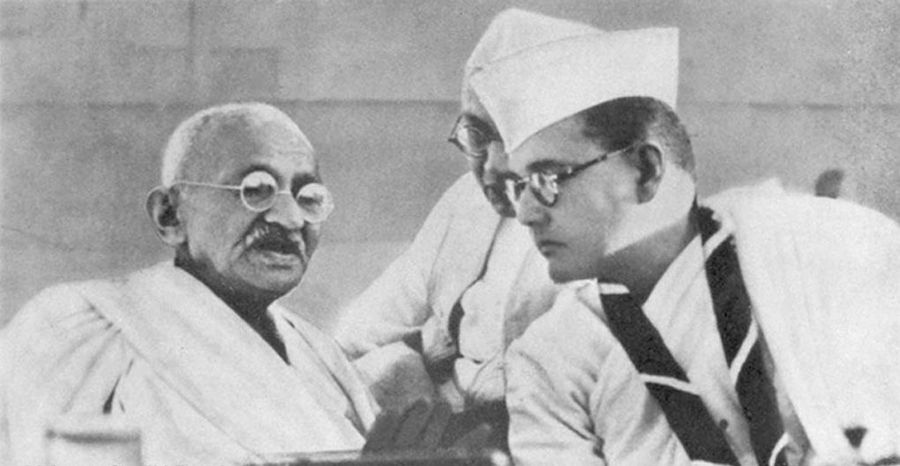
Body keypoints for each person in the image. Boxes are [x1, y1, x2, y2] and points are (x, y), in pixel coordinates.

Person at [462, 9, 900, 466]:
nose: (525, 213)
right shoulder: (550, 360)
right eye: (519, 186)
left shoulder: (824, 248)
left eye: (548, 179)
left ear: (645, 170)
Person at [0, 103, 377, 466]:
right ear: (169, 215)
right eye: (256, 190)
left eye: (308, 197)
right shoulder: (85, 325)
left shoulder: (319, 353)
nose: (291, 219)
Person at [333, 8, 564, 450]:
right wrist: (406, 368)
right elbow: (357, 333)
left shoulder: (588, 229)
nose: (491, 167)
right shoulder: (466, 204)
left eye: (513, 135)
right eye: (477, 135)